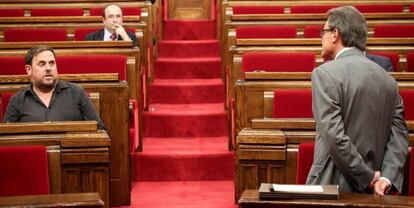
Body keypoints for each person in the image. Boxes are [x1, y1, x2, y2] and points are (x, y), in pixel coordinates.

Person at [306, 6, 408, 195]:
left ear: (335, 34)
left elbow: (333, 135)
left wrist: (367, 177)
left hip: (333, 187)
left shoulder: (324, 73)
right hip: (376, 192)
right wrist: (386, 177)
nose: (321, 37)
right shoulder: (388, 80)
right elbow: (399, 136)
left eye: (324, 32)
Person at [3, 45, 105, 130]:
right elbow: (8, 138)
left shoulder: (76, 92)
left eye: (52, 63)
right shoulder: (17, 100)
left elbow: (99, 129)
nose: (48, 68)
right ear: (29, 69)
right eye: (42, 64)